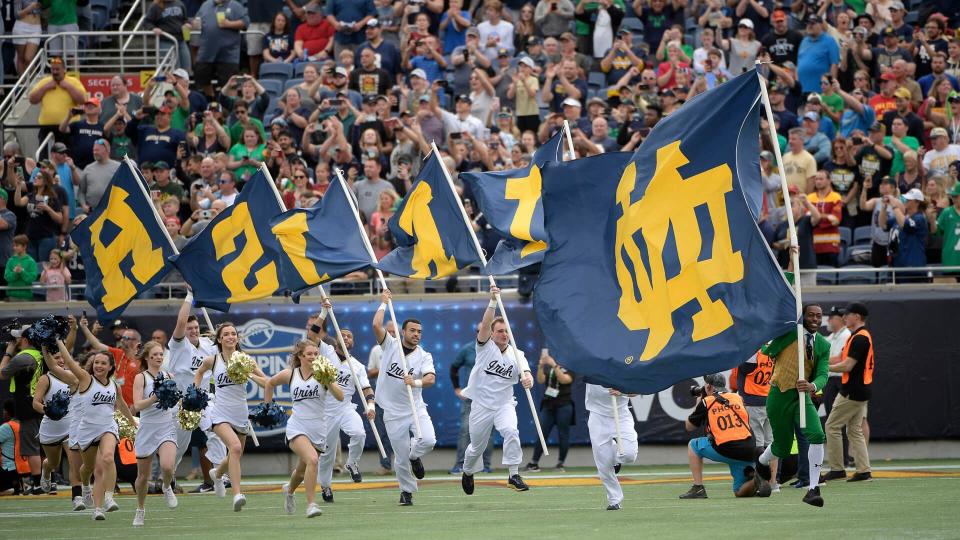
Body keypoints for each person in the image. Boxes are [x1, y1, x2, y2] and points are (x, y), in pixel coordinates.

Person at [460, 286, 534, 495]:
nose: (504, 334)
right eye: (500, 331)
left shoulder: (517, 353)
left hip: (504, 404)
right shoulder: (484, 348)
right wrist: (492, 301)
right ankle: (467, 471)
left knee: (511, 431)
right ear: (492, 334)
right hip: (482, 405)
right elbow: (485, 323)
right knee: (477, 447)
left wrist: (527, 379)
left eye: (506, 331)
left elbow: (526, 373)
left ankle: (513, 474)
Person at [756, 303, 830, 507]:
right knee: (782, 446)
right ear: (802, 317)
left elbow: (823, 374)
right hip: (779, 395)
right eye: (811, 315)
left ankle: (813, 489)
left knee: (817, 435)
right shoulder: (789, 333)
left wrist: (812, 385)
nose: (815, 319)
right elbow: (768, 350)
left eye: (819, 316)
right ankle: (761, 463)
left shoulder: (823, 345)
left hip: (802, 396)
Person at [58, 338, 137, 520]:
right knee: (87, 468)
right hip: (87, 430)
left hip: (108, 427)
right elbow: (69, 362)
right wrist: (58, 341)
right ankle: (85, 486)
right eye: (96, 363)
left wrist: (132, 422)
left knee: (108, 458)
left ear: (110, 367)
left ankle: (108, 498)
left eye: (103, 363)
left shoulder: (114, 385)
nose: (98, 366)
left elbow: (122, 405)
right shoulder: (86, 379)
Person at [264, 340, 344, 518]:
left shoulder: (324, 374)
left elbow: (340, 396)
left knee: (302, 470)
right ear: (300, 356)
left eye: (316, 354)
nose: (313, 357)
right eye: (309, 354)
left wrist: (329, 381)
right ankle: (311, 505)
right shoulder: (291, 374)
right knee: (313, 460)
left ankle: (289, 490)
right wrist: (267, 407)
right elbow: (269, 383)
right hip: (297, 425)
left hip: (318, 428)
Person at [372, 290, 437, 506]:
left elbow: (430, 379)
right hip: (392, 412)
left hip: (415, 407)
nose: (417, 334)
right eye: (413, 330)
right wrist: (383, 303)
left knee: (428, 440)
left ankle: (414, 456)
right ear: (403, 331)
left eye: (419, 331)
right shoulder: (390, 345)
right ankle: (406, 491)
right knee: (399, 456)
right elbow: (376, 325)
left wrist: (415, 382)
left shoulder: (424, 355)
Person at [194, 323, 268, 511]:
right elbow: (200, 373)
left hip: (241, 413)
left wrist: (249, 374)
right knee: (234, 447)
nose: (230, 337)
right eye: (226, 334)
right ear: (219, 339)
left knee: (235, 454)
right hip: (220, 413)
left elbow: (266, 383)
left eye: (233, 334)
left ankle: (217, 474)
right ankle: (237, 494)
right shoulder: (213, 360)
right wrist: (195, 393)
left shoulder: (246, 359)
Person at [681, 372, 770, 500]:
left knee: (693, 445)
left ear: (709, 387)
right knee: (739, 491)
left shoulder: (707, 401)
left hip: (726, 448)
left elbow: (689, 426)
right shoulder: (737, 397)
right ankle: (757, 479)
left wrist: (698, 402)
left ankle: (698, 487)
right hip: (749, 449)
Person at [167, 294, 222, 493]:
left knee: (216, 430)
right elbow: (182, 320)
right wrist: (190, 296)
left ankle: (220, 473)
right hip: (181, 401)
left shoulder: (208, 345)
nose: (193, 331)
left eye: (196, 328)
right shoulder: (178, 345)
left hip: (204, 398)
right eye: (189, 328)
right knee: (180, 445)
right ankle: (169, 474)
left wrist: (222, 338)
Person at [316, 324, 374, 501]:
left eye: (349, 336)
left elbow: (366, 388)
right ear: (335, 340)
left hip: (346, 407)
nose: (346, 338)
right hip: (326, 411)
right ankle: (325, 487)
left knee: (359, 433)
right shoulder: (326, 352)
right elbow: (313, 334)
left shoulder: (357, 366)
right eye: (342, 335)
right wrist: (325, 311)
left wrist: (370, 406)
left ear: (353, 342)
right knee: (327, 454)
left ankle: (352, 462)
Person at [823, 303, 875, 483]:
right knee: (854, 430)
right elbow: (841, 358)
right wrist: (817, 361)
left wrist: (823, 369)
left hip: (852, 390)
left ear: (857, 317)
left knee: (831, 426)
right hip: (859, 390)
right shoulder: (857, 336)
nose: (844, 317)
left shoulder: (860, 338)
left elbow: (847, 365)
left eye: (848, 314)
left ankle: (837, 469)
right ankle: (864, 470)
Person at [130, 341, 179, 526]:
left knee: (168, 467)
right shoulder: (141, 378)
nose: (159, 357)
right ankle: (140, 509)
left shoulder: (169, 375)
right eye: (155, 355)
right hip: (147, 428)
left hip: (166, 425)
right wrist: (155, 397)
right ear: (147, 357)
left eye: (161, 354)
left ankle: (166, 487)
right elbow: (137, 405)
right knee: (143, 477)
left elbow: (173, 400)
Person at [0, 323, 44, 493]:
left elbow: (2, 373)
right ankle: (49, 481)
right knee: (46, 445)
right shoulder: (41, 354)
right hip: (41, 403)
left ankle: (37, 484)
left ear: (25, 339)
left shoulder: (22, 357)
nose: (16, 341)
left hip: (27, 406)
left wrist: (9, 351)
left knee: (31, 446)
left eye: (18, 338)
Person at [585, 382, 638, 510]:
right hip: (597, 415)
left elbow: (638, 389)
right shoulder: (589, 364)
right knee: (603, 462)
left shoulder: (625, 363)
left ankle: (616, 456)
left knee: (629, 455)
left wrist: (623, 392)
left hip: (621, 413)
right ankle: (614, 500)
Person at [731, 350, 777, 490]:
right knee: (772, 443)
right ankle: (773, 482)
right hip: (769, 399)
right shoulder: (770, 351)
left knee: (758, 443)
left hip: (752, 401)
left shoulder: (752, 353)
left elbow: (743, 367)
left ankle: (762, 481)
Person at [523, 350, 574, 472]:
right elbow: (541, 380)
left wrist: (554, 365)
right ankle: (534, 462)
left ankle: (560, 463)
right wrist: (541, 367)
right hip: (549, 404)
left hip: (564, 404)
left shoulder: (569, 365)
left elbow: (565, 380)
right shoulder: (548, 366)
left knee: (563, 434)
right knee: (542, 432)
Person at [192, 0, 248, 99]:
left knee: (231, 82)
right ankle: (211, 99)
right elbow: (197, 20)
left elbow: (246, 23)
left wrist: (229, 24)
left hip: (228, 54)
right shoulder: (206, 4)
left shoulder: (235, 5)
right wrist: (194, 24)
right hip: (206, 52)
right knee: (201, 76)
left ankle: (231, 106)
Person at [28, 57, 87, 146]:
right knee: (44, 157)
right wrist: (45, 88)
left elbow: (82, 100)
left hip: (68, 127)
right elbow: (32, 100)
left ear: (64, 69)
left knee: (68, 156)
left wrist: (68, 87)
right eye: (52, 69)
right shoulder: (44, 82)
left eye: (57, 69)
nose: (55, 72)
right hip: (46, 128)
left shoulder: (73, 82)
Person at [882, 187, 928, 281]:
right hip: (897, 265)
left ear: (917, 202)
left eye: (909, 199)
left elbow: (905, 225)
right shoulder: (901, 218)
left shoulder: (919, 218)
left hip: (913, 267)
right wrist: (884, 207)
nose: (906, 200)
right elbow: (883, 224)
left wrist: (894, 206)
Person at [821, 306, 850, 420]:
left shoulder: (846, 335)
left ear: (840, 319)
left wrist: (818, 362)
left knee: (840, 416)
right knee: (831, 415)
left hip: (841, 380)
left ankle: (843, 438)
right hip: (831, 379)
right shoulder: (832, 337)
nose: (828, 320)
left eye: (831, 317)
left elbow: (839, 359)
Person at [934, 183, 960, 280]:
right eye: (953, 196)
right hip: (951, 260)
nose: (953, 199)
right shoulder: (946, 212)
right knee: (950, 294)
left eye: (956, 196)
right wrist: (932, 221)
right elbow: (935, 232)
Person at [4, 235, 38, 301]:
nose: (14, 248)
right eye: (13, 246)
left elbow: (32, 278)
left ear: (24, 246)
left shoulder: (31, 262)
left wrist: (22, 272)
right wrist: (15, 273)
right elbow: (7, 277)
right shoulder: (10, 261)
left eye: (17, 246)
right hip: (12, 295)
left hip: (26, 297)